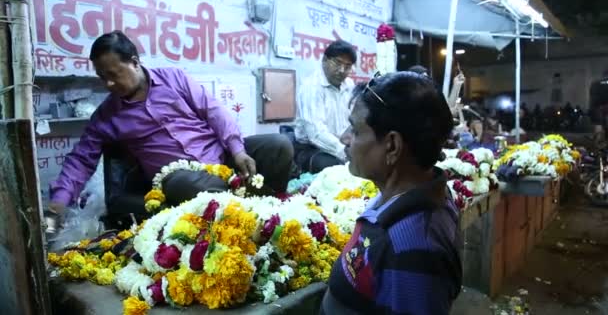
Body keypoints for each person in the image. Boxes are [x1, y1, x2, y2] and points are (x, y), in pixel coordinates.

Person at [47, 30, 294, 218]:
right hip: (179, 177)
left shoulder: (174, 78)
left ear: (134, 62)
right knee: (185, 184)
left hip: (221, 158)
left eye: (113, 75)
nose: (108, 85)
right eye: (102, 78)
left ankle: (265, 208)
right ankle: (248, 211)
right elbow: (80, 159)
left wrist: (237, 150)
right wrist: (59, 201)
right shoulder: (106, 116)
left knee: (278, 145)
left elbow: (214, 110)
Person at [321, 72, 462, 314]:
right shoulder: (402, 195)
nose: (344, 138)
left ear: (392, 146)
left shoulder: (413, 248)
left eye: (355, 131)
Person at [295, 40, 357, 173]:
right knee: (338, 169)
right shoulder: (311, 87)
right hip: (312, 148)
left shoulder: (350, 85)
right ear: (324, 60)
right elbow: (316, 134)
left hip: (344, 145)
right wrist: (346, 153)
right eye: (337, 63)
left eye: (347, 66)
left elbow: (355, 121)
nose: (341, 70)